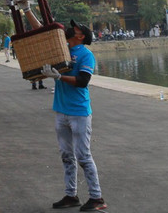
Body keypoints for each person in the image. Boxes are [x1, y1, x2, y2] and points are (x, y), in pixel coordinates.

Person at [41, 21, 106, 211]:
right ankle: (71, 195)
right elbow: (45, 29)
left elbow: (83, 81)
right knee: (66, 155)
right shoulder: (63, 49)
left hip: (79, 112)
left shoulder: (86, 55)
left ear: (81, 36)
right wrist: (27, 9)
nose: (70, 30)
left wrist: (59, 77)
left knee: (83, 156)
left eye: (75, 29)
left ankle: (97, 198)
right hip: (61, 111)